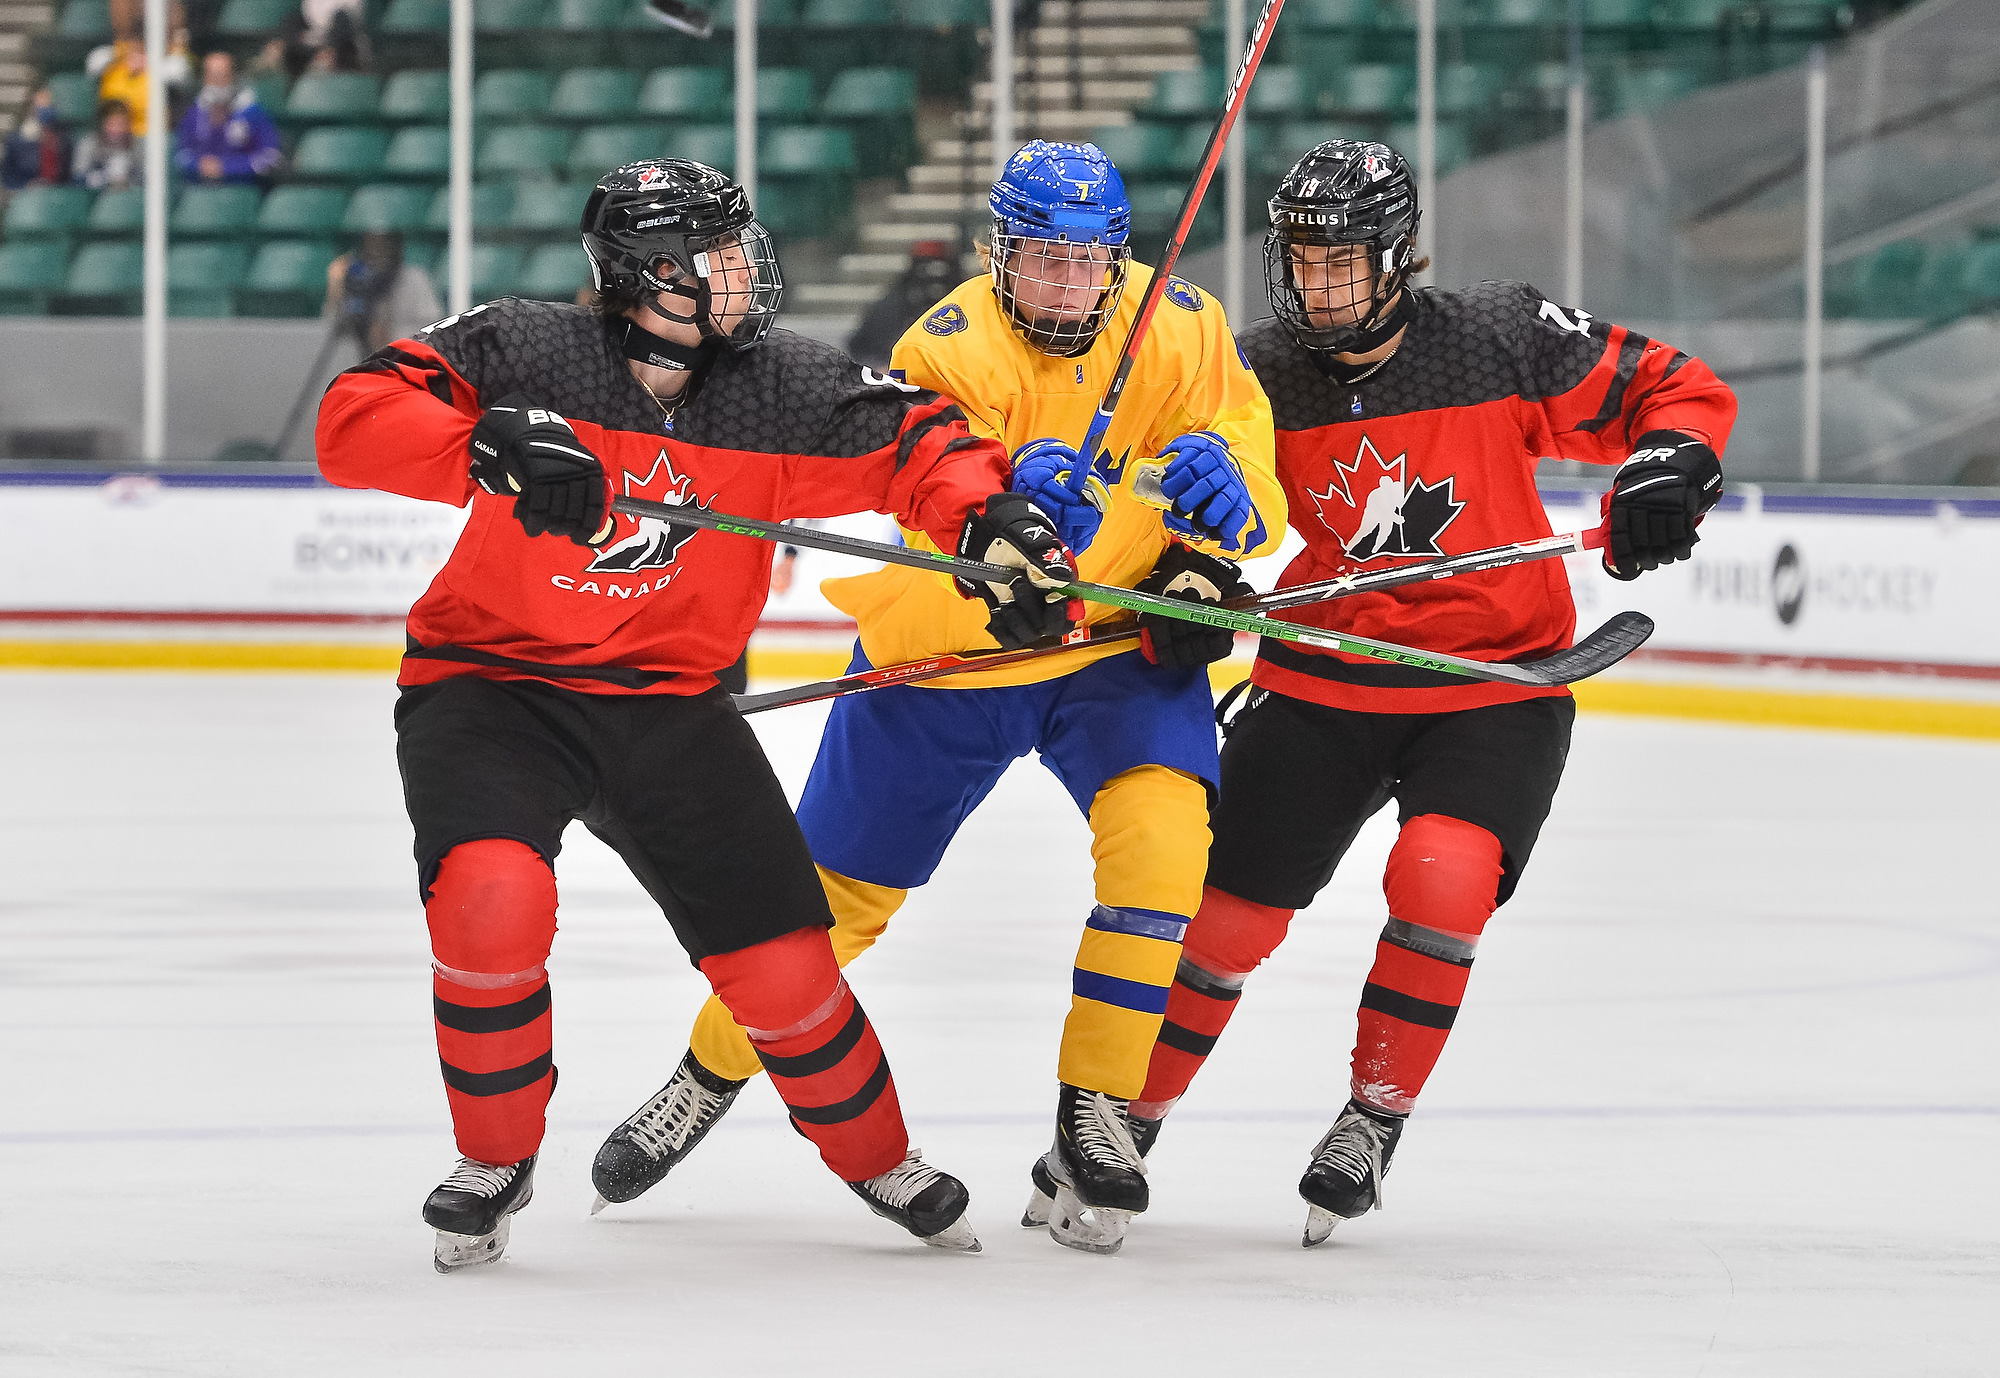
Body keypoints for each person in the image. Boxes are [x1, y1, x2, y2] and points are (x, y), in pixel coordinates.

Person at [315, 158, 1078, 1270]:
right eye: (718, 253)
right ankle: (494, 1157)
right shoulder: (526, 347)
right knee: (489, 900)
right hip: (489, 691)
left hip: (670, 706)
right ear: (647, 271)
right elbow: (354, 416)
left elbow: (925, 443)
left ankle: (878, 1155)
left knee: (782, 968)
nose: (743, 271)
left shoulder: (778, 387)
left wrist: (989, 523)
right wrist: (480, 444)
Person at [590, 139, 1287, 1257]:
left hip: (1113, 650)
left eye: (1086, 261)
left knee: (1163, 848)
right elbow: (927, 497)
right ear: (995, 254)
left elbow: (1250, 475)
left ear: (1118, 258)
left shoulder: (1186, 325)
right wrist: (1005, 504)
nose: (1063, 284)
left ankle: (1094, 1113)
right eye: (1038, 260)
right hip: (949, 658)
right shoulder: (944, 345)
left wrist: (1215, 532)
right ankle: (706, 1070)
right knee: (819, 912)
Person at [1127, 140, 1737, 1245]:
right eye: (1299, 259)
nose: (1315, 284)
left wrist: (1667, 465)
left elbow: (1674, 390)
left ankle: (1372, 1116)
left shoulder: (1495, 335)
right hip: (1319, 677)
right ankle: (1126, 1121)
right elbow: (1198, 510)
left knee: (1443, 875)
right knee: (1221, 919)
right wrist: (1188, 581)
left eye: (1341, 260)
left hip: (1490, 683)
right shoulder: (1253, 371)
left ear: (1399, 254)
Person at [845, 239, 962, 370]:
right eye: (926, 266)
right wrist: (878, 369)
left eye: (940, 267)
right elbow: (858, 346)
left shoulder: (967, 306)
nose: (934, 278)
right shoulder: (890, 306)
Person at [173, 52, 282, 186]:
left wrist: (227, 167)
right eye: (212, 76)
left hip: (241, 190)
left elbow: (271, 157)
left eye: (222, 76)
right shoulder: (195, 113)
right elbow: (181, 154)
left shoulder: (252, 113)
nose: (217, 83)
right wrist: (199, 165)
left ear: (233, 76)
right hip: (200, 190)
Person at [324, 231, 441, 353]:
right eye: (371, 242)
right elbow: (334, 331)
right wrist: (336, 291)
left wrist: (391, 335)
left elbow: (433, 330)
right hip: (359, 360)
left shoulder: (414, 278)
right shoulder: (356, 278)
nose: (377, 250)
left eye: (383, 242)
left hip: (404, 360)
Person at [1, 87, 69, 191]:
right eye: (39, 106)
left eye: (47, 105)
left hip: (64, 190)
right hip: (33, 195)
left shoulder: (64, 134)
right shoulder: (14, 142)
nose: (43, 109)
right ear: (30, 109)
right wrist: (28, 184)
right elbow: (7, 177)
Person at [72, 100, 142, 191]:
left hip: (129, 197)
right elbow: (78, 177)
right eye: (112, 124)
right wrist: (103, 177)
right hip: (96, 198)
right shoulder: (89, 144)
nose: (117, 129)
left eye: (122, 124)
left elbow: (147, 179)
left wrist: (128, 178)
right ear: (102, 125)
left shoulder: (137, 145)